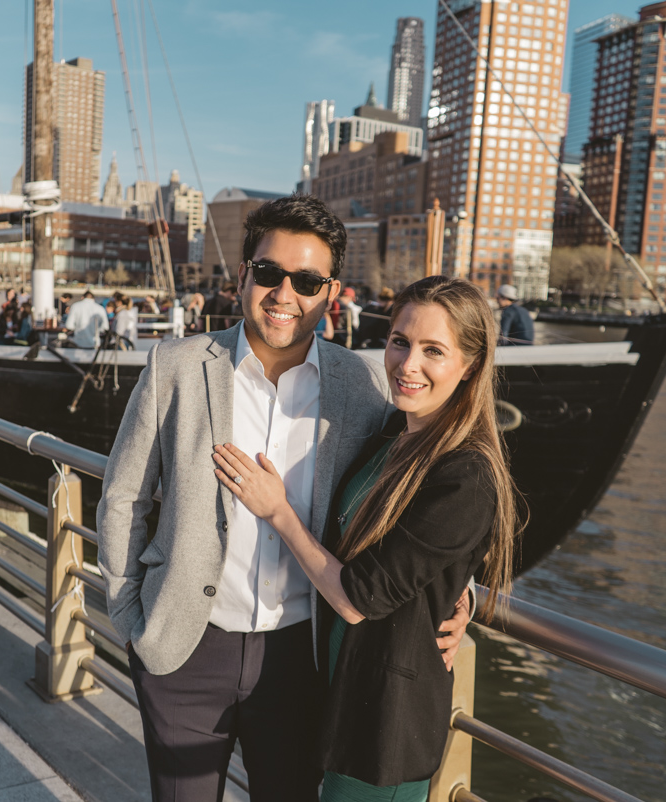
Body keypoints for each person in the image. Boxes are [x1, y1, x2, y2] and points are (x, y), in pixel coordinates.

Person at [97, 195, 471, 802]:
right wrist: (130, 619)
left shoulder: (364, 384)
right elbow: (123, 499)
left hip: (304, 658)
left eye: (306, 280)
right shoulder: (177, 365)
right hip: (186, 650)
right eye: (269, 273)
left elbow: (411, 504)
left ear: (331, 292)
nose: (283, 294)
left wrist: (459, 596)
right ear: (243, 273)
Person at [212, 275, 520, 800]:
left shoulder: (466, 474)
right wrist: (455, 590)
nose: (407, 365)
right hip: (337, 693)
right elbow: (411, 558)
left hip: (382, 722)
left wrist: (278, 512)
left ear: (469, 366)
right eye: (400, 342)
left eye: (433, 351)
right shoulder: (394, 435)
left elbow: (359, 597)